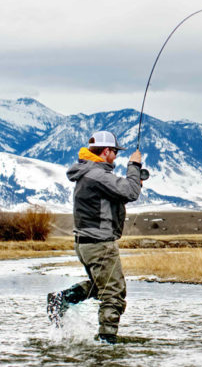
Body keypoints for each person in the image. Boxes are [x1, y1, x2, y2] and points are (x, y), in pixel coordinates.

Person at [47, 131, 144, 344]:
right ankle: (106, 342)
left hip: (85, 244)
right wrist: (134, 167)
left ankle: (62, 299)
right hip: (100, 245)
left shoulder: (87, 174)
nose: (116, 157)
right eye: (115, 152)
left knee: (100, 287)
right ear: (106, 151)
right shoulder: (98, 175)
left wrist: (132, 182)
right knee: (114, 294)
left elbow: (115, 197)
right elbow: (130, 192)